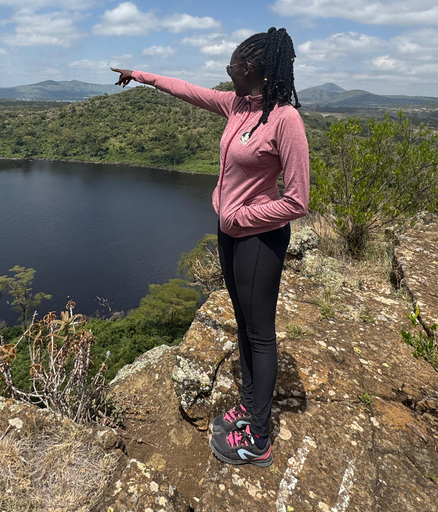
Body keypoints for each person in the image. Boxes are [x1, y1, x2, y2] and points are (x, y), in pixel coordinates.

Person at [112, 27, 309, 468]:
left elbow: (297, 200)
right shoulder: (238, 105)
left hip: (259, 239)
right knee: (243, 322)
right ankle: (247, 405)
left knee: (260, 333)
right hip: (231, 233)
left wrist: (240, 217)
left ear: (253, 69)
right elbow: (188, 91)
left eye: (232, 65)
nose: (227, 72)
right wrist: (139, 75)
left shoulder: (285, 120)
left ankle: (258, 438)